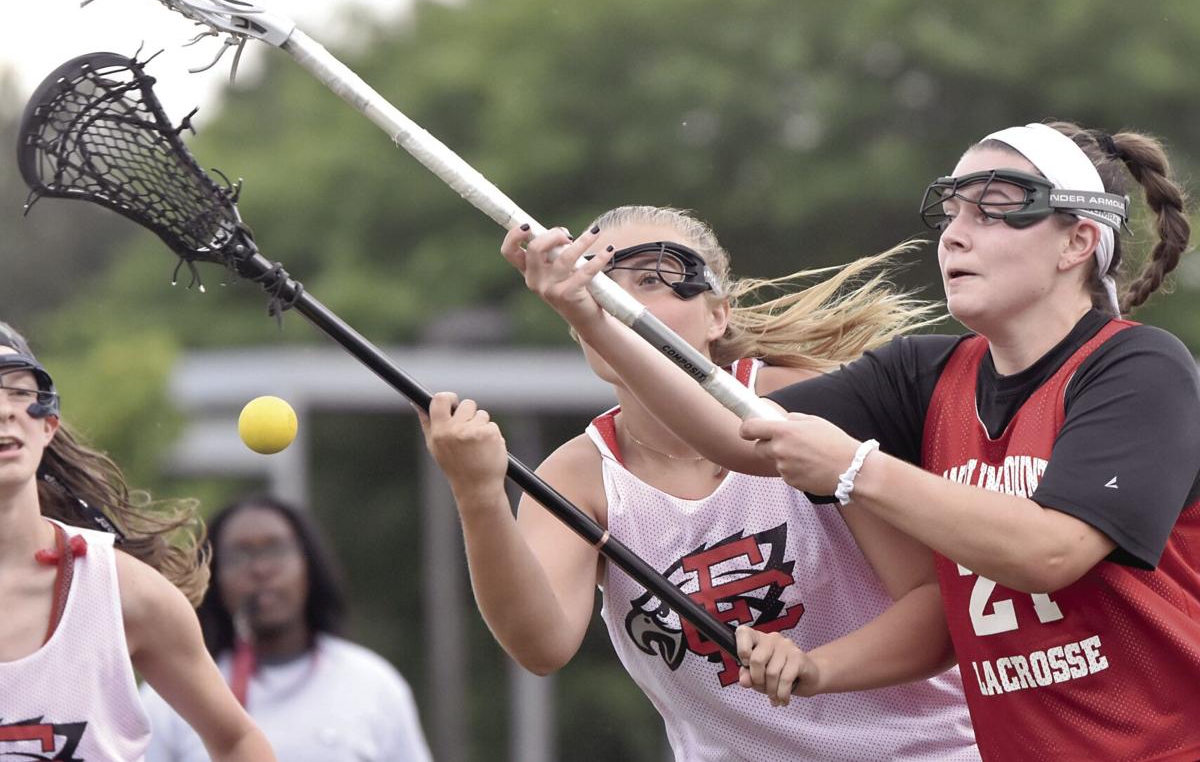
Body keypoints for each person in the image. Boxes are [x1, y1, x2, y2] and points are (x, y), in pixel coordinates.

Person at [508, 123, 1200, 761]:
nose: (955, 234)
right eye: (950, 212)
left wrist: (857, 468)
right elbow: (737, 437)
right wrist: (588, 318)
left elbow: (1049, 551)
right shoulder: (921, 376)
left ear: (1079, 241)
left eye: (992, 207)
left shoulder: (1138, 370)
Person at [420, 205, 979, 760]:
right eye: (595, 280)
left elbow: (935, 608)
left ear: (718, 316)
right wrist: (478, 495)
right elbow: (541, 646)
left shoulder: (806, 407)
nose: (615, 300)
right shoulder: (579, 475)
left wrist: (817, 669)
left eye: (654, 277)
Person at [0, 321, 273, 761]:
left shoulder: (123, 591)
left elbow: (238, 741)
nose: (5, 410)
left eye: (18, 391)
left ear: (48, 425)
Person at [141, 496, 433, 762]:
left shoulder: (374, 685)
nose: (260, 569)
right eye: (239, 556)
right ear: (212, 578)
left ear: (309, 564)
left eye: (276, 549)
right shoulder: (172, 692)